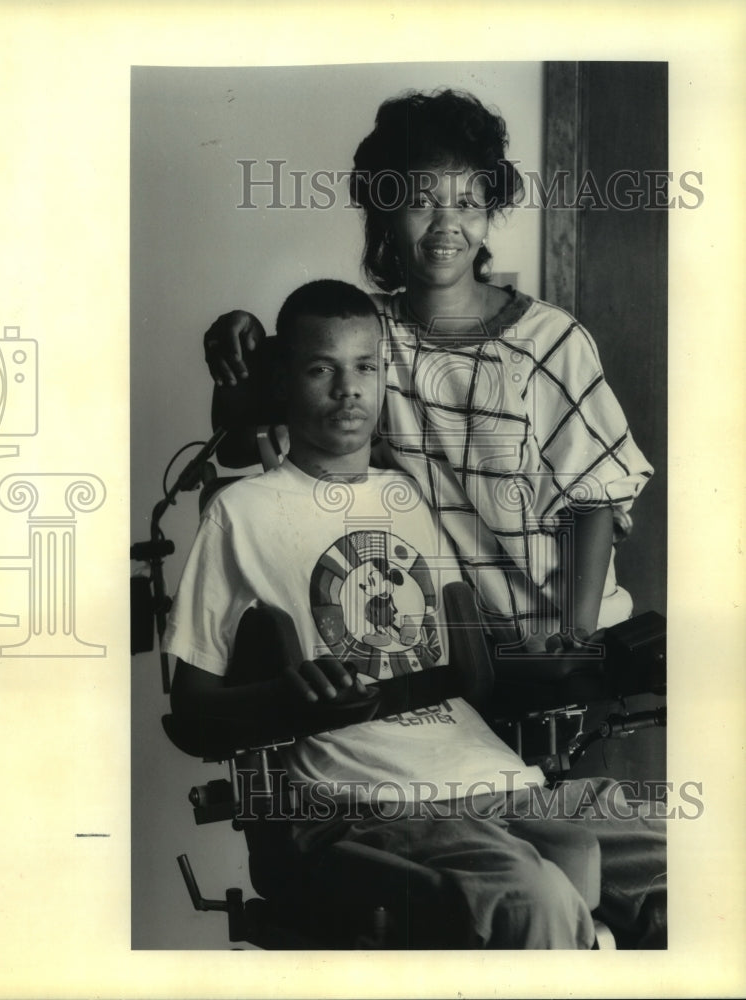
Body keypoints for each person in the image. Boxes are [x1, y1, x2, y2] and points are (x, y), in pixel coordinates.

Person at [164, 278, 667, 949]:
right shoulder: (239, 513)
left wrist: (568, 650)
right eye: (321, 369)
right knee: (537, 896)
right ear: (282, 381)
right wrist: (286, 701)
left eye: (366, 368)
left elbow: (476, 677)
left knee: (691, 861)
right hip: (369, 801)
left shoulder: (407, 495)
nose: (349, 390)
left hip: (499, 782)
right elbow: (192, 712)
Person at [202, 89, 654, 655]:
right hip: (447, 650)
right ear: (385, 215)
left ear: (490, 214)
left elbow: (596, 501)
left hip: (558, 639)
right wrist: (237, 338)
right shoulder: (367, 339)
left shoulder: (548, 341)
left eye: (468, 202)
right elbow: (239, 442)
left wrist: (575, 641)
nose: (447, 224)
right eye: (422, 201)